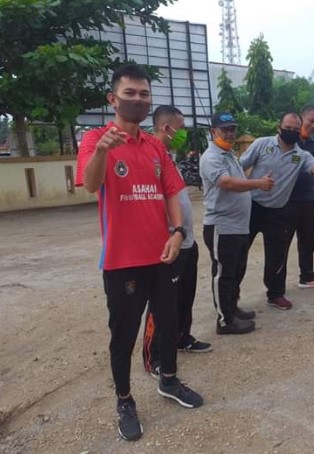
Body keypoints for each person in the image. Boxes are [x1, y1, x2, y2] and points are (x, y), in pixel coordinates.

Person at [76, 64, 203, 442]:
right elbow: (90, 185)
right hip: (122, 261)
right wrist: (101, 151)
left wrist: (178, 232)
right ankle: (125, 399)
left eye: (144, 94)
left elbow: (172, 193)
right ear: (113, 99)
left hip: (163, 256)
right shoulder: (95, 139)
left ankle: (168, 380)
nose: (137, 99)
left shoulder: (155, 146)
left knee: (168, 323)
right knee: (124, 335)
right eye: (129, 93)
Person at [239, 112, 314, 310]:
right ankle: (231, 300)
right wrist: (244, 187)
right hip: (251, 208)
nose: (290, 132)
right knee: (239, 253)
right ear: (278, 127)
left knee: (277, 256)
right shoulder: (261, 144)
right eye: (287, 128)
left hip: (277, 211)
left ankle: (275, 294)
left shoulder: (301, 156)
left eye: (294, 129)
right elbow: (239, 166)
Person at [142, 105, 212, 380]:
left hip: (186, 241)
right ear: (166, 128)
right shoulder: (149, 158)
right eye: (181, 129)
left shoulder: (169, 158)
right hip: (166, 245)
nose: (183, 134)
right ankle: (154, 356)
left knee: (185, 296)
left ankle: (182, 337)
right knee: (161, 306)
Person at [200, 112, 275, 335]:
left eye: (233, 129)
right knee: (223, 274)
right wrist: (258, 184)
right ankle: (225, 321)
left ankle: (232, 308)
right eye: (225, 130)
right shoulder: (211, 157)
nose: (230, 133)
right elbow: (227, 183)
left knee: (236, 271)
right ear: (213, 132)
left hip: (239, 226)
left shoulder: (229, 154)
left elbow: (237, 176)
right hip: (221, 226)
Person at [286, 106, 314, 289]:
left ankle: (307, 276)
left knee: (308, 240)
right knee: (282, 244)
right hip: (286, 201)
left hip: (308, 199)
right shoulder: (288, 142)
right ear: (301, 120)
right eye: (311, 121)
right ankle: (276, 285)